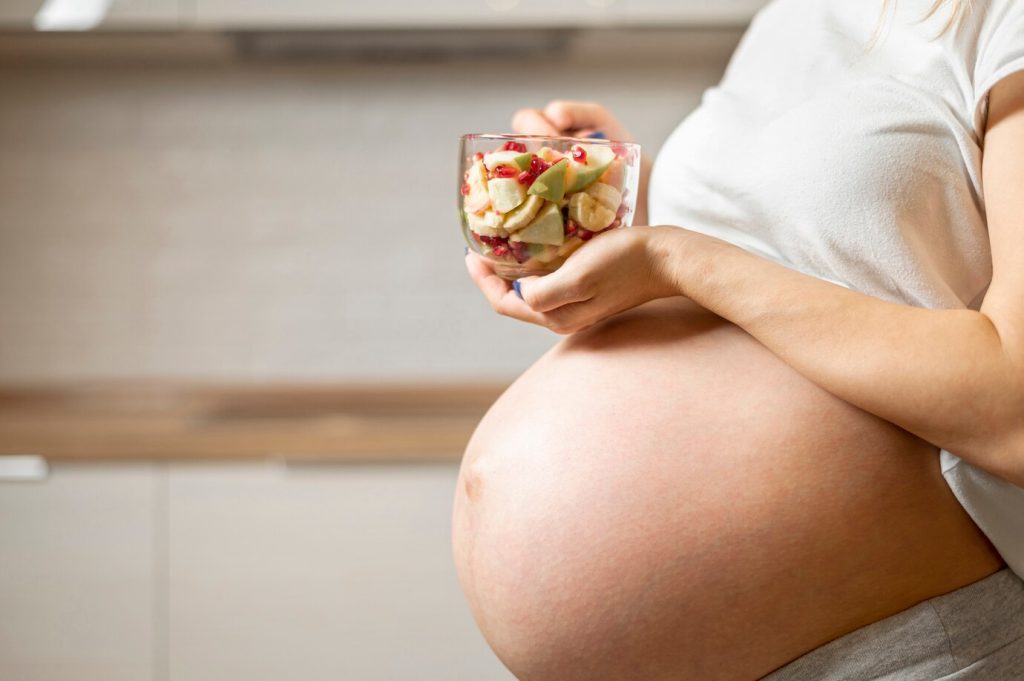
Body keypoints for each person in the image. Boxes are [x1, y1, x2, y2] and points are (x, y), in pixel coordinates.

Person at [452, 0, 1024, 679]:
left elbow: (1013, 410)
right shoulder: (792, 14)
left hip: (887, 640)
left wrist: (674, 258)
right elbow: (811, 259)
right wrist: (615, 200)